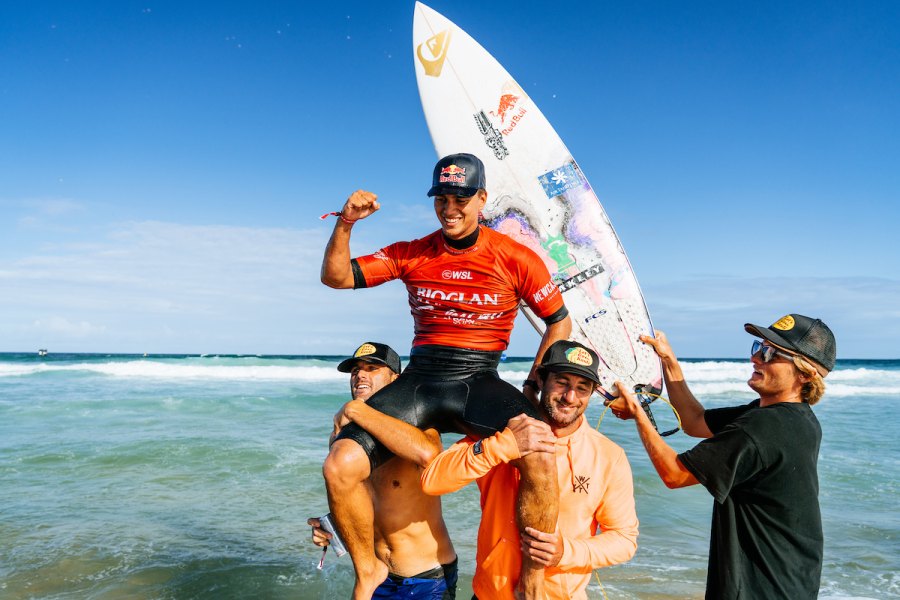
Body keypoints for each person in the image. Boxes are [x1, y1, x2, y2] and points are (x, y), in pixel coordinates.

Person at [321, 153, 572, 599]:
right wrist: (346, 223)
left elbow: (559, 321)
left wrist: (534, 383)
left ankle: (532, 580)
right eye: (441, 198)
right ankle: (368, 570)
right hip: (421, 379)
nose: (449, 208)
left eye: (460, 198)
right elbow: (336, 277)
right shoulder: (413, 252)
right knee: (340, 464)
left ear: (482, 199)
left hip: (479, 379)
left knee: (541, 452)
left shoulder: (515, 258)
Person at [610, 313, 836, 599]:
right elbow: (694, 421)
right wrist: (668, 361)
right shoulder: (793, 418)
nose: (756, 358)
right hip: (791, 583)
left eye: (771, 353)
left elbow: (674, 474)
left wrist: (637, 413)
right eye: (759, 347)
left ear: (805, 374)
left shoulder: (765, 426)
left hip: (760, 589)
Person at [421, 340, 639, 599]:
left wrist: (566, 552)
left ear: (592, 393)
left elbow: (624, 540)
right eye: (562, 382)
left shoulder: (608, 456)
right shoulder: (502, 432)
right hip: (490, 594)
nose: (570, 397)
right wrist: (503, 445)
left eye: (582, 388)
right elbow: (433, 480)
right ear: (541, 379)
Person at [308, 341, 458, 599]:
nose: (360, 375)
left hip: (426, 579)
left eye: (372, 368)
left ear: (395, 379)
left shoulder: (417, 420)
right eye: (356, 370)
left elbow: (429, 455)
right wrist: (335, 527)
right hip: (377, 578)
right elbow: (362, 501)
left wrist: (354, 409)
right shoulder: (344, 436)